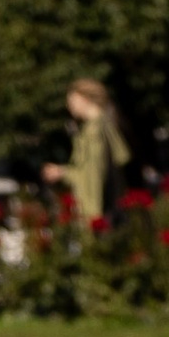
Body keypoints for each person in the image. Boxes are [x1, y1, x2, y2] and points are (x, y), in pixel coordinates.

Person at [42, 78, 129, 227]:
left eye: (73, 100)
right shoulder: (105, 125)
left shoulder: (93, 132)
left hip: (99, 212)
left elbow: (94, 175)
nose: (69, 105)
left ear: (86, 99)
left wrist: (94, 219)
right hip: (113, 208)